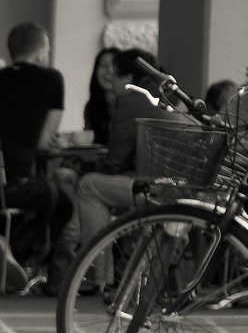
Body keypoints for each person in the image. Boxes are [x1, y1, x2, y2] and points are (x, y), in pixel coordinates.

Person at [0, 22, 75, 295]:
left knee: (11, 191)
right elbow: (42, 141)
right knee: (60, 201)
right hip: (10, 187)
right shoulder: (52, 79)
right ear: (41, 53)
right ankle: (11, 253)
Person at [73, 48, 188, 275]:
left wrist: (85, 167)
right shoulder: (168, 97)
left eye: (115, 73)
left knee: (88, 185)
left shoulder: (131, 101)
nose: (112, 79)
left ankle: (98, 274)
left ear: (126, 78)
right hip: (180, 184)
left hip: (156, 188)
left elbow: (115, 161)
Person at [83, 47, 120, 146]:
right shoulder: (91, 107)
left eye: (114, 65)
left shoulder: (130, 105)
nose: (109, 70)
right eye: (103, 65)